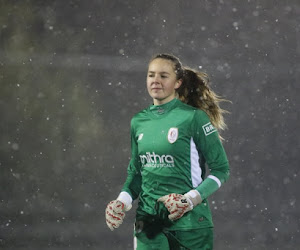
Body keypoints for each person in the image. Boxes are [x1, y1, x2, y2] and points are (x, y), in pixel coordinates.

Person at [105, 53, 230, 250]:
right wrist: (121, 202)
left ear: (178, 82)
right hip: (149, 224)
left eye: (163, 76)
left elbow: (221, 169)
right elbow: (136, 173)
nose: (155, 80)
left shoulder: (194, 118)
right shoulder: (138, 122)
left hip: (190, 225)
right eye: (151, 75)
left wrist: (188, 201)